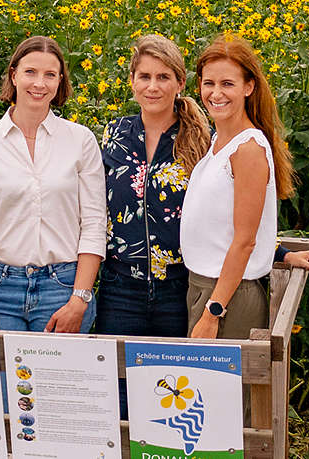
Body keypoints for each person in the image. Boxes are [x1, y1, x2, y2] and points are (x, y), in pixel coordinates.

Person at [0, 35, 105, 334]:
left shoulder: (80, 140)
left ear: (59, 81)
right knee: (0, 381)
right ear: (13, 75)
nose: (39, 83)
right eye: (30, 72)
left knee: (59, 381)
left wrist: (79, 300)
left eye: (50, 75)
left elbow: (93, 224)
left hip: (63, 288)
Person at [182, 34, 309, 340]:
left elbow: (244, 241)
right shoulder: (219, 141)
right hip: (206, 287)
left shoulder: (248, 149)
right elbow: (225, 227)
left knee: (222, 389)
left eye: (227, 84)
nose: (216, 93)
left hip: (226, 297)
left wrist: (213, 311)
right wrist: (281, 253)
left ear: (249, 87)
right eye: (209, 83)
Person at [96, 34, 211, 338]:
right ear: (132, 80)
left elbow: (227, 208)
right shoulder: (115, 133)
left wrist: (278, 252)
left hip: (180, 291)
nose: (153, 86)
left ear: (180, 83)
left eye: (163, 77)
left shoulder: (202, 140)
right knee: (119, 384)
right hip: (119, 289)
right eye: (144, 76)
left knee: (174, 382)